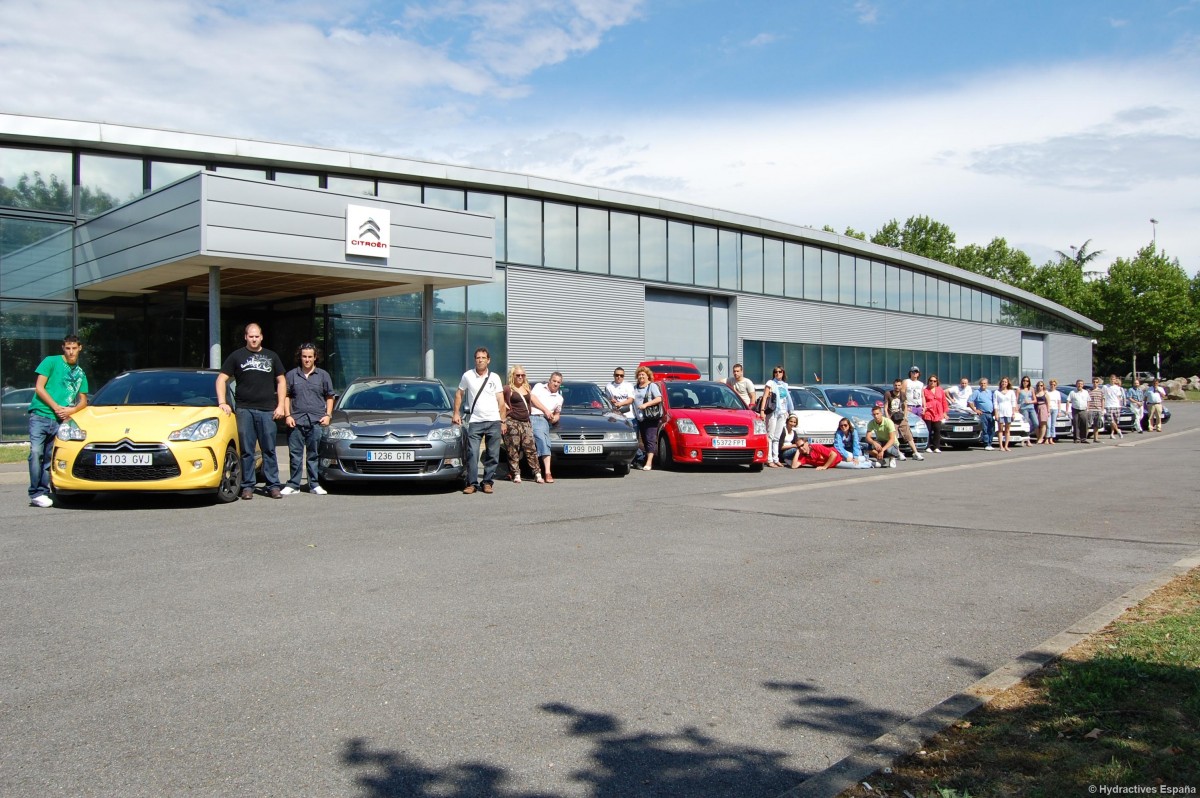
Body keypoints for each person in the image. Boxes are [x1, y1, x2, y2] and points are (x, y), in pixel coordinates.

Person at [217, 323, 287, 500]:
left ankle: (273, 485)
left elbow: (281, 381)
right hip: (244, 409)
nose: (254, 339)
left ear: (261, 337)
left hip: (267, 410)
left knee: (269, 449)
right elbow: (221, 379)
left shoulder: (272, 356)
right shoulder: (236, 356)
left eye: (257, 336)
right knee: (247, 450)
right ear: (246, 337)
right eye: (251, 336)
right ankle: (248, 486)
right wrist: (222, 402)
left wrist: (280, 406)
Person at [27, 334, 89, 508]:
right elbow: (39, 387)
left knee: (49, 456)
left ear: (80, 348)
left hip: (60, 420)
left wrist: (71, 410)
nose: (71, 352)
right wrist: (56, 406)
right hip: (40, 415)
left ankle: (43, 491)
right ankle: (35, 492)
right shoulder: (51, 361)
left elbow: (83, 401)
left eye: (74, 348)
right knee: (36, 453)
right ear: (63, 348)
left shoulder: (80, 373)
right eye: (68, 348)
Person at [452, 347, 508, 494]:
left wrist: (503, 421)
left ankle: (487, 482)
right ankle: (471, 483)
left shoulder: (495, 377)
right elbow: (459, 394)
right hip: (475, 421)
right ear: (475, 360)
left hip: (494, 421)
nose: (480, 360)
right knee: (472, 453)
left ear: (488, 360)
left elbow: (501, 401)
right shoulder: (467, 376)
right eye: (478, 358)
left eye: (483, 358)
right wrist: (456, 413)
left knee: (493, 454)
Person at [281, 344, 334, 495]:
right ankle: (293, 485)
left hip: (317, 420)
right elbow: (286, 396)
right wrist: (288, 415)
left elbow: (329, 396)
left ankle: (314, 484)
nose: (307, 359)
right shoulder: (291, 375)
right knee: (295, 454)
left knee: (314, 454)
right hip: (296, 420)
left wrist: (328, 415)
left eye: (310, 356)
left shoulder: (323, 375)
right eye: (304, 356)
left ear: (315, 357)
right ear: (300, 357)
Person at [502, 365, 541, 484]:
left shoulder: (527, 388)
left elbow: (533, 401)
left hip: (526, 421)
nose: (520, 377)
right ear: (512, 376)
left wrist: (546, 410)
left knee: (531, 448)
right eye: (517, 375)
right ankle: (516, 473)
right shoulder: (508, 389)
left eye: (522, 375)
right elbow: (496, 397)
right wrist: (504, 405)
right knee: (513, 448)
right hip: (512, 421)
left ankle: (537, 473)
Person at [529, 371, 564, 481]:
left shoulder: (559, 398)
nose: (555, 384)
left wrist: (554, 419)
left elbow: (557, 414)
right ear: (549, 380)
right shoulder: (539, 387)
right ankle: (514, 471)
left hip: (542, 420)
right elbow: (532, 398)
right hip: (530, 416)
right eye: (554, 381)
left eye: (558, 382)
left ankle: (547, 472)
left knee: (544, 441)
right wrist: (546, 410)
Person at [763, 366, 796, 467]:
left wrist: (790, 411)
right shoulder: (770, 383)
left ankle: (775, 458)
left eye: (780, 372)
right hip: (773, 412)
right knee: (770, 436)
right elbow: (765, 397)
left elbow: (787, 399)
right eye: (775, 372)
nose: (777, 373)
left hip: (782, 412)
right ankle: (769, 460)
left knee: (777, 437)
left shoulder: (785, 385)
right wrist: (762, 411)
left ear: (783, 373)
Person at [884, 378, 923, 460]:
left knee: (908, 435)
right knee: (894, 437)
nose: (897, 387)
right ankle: (898, 453)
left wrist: (905, 416)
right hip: (892, 418)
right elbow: (885, 407)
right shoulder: (888, 394)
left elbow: (905, 406)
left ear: (901, 386)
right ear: (893, 385)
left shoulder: (902, 394)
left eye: (898, 385)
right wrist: (888, 418)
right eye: (895, 385)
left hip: (901, 417)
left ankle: (915, 453)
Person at [631, 366, 662, 471]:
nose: (641, 376)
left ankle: (649, 462)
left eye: (643, 374)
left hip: (650, 417)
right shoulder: (635, 388)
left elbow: (659, 398)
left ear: (648, 376)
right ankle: (643, 459)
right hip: (638, 418)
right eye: (639, 375)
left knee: (650, 439)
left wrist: (646, 405)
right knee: (642, 440)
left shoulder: (652, 386)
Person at [922, 374, 948, 453]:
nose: (932, 382)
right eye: (931, 381)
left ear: (937, 382)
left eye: (934, 381)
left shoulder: (940, 390)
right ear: (928, 381)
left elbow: (944, 401)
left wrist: (945, 412)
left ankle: (936, 446)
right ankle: (928, 446)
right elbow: (923, 401)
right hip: (928, 412)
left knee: (937, 429)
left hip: (938, 412)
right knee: (928, 430)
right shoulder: (925, 390)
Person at [968, 377, 996, 450]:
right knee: (985, 429)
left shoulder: (990, 392)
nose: (983, 385)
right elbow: (970, 401)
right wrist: (975, 409)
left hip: (990, 413)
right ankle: (986, 444)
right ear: (979, 384)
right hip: (982, 413)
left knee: (992, 429)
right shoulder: (976, 392)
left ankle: (990, 443)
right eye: (982, 383)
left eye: (984, 383)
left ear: (987, 384)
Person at [993, 377, 1017, 452]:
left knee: (1007, 430)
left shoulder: (1011, 392)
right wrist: (996, 413)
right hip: (1000, 412)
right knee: (1000, 430)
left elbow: (1013, 402)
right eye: (1003, 382)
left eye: (1005, 382)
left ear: (1008, 383)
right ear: (1001, 383)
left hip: (1008, 412)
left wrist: (1013, 413)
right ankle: (1001, 446)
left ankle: (1006, 445)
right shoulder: (997, 392)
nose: (1004, 383)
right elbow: (995, 403)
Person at [1102, 374, 1125, 439]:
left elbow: (1119, 397)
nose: (1112, 380)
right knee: (1111, 420)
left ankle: (1112, 434)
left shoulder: (1117, 388)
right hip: (1108, 405)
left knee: (1115, 421)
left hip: (1116, 406)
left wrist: (1120, 405)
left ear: (1115, 380)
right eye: (1111, 379)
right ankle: (1118, 430)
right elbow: (1103, 397)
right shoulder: (1105, 387)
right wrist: (1103, 407)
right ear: (1109, 379)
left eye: (1114, 379)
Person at [1067, 379, 1091, 443]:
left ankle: (1083, 439)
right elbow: (1068, 401)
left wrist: (1088, 409)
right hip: (1075, 410)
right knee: (1076, 424)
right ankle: (1077, 439)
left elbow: (1088, 401)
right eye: (1078, 384)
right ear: (1076, 384)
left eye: (1081, 384)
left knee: (1084, 424)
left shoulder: (1086, 392)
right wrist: (1067, 410)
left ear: (1083, 385)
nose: (1079, 385)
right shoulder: (1072, 392)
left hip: (1084, 410)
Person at [1017, 376, 1036, 447]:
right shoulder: (1019, 389)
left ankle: (1025, 437)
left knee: (1036, 423)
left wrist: (1030, 401)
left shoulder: (1031, 389)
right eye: (1024, 380)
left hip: (1031, 407)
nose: (1025, 382)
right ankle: (1027, 440)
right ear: (1022, 381)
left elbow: (1035, 400)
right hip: (1023, 408)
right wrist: (1016, 408)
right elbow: (1016, 400)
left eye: (1027, 381)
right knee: (1026, 424)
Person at [1086, 377, 1105, 443]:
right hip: (1091, 409)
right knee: (1088, 424)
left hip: (1098, 409)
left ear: (1098, 383)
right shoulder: (1089, 391)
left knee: (1096, 425)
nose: (1095, 383)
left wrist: (1102, 409)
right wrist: (1087, 409)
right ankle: (1084, 438)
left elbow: (1102, 400)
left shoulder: (1101, 391)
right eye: (1094, 382)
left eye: (1096, 382)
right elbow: (1087, 400)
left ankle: (1095, 438)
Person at [1046, 379, 1062, 444]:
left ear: (1056, 386)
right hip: (1049, 409)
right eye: (1051, 384)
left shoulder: (1057, 393)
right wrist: (1048, 410)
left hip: (1055, 409)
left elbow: (1059, 402)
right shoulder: (1047, 392)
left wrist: (1059, 411)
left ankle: (1051, 438)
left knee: (1053, 424)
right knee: (1048, 425)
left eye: (1054, 385)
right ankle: (1047, 438)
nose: (1052, 386)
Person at [1033, 380, 1049, 444]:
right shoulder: (1035, 393)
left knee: (1043, 423)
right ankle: (1038, 437)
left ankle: (1041, 438)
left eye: (1041, 385)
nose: (1040, 387)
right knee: (1036, 423)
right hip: (1036, 408)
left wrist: (1048, 411)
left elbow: (1048, 403)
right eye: (1038, 385)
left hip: (1043, 408)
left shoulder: (1045, 393)